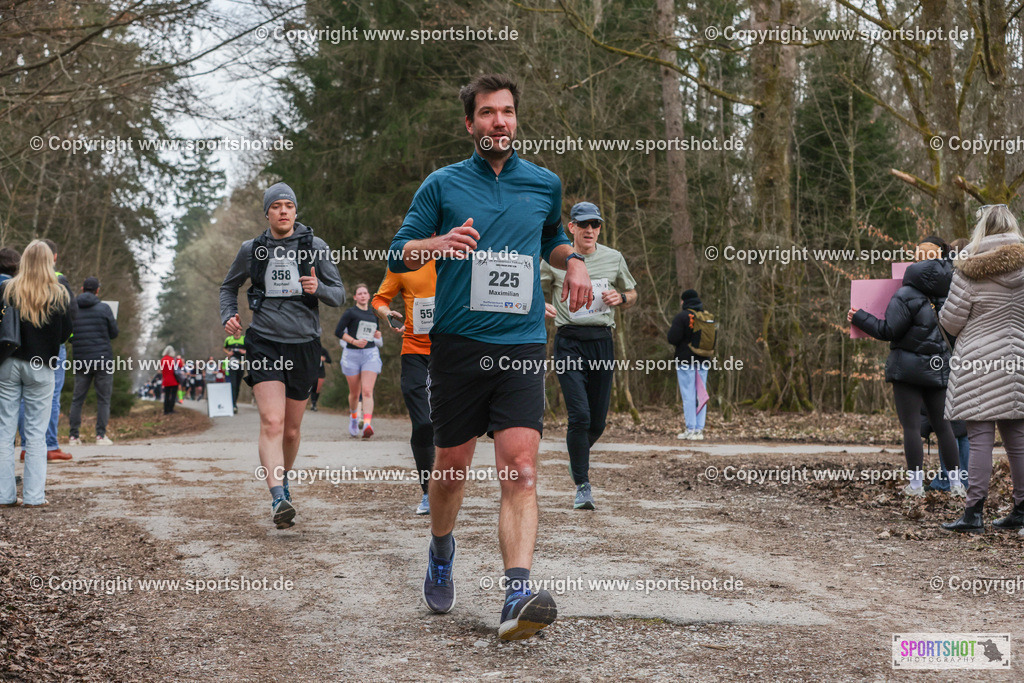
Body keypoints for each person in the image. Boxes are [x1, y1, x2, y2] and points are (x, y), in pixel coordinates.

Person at [388, 74, 592, 640]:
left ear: (516, 118)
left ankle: (517, 591)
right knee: (450, 471)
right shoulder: (442, 184)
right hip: (458, 344)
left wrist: (572, 260)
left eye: (506, 112)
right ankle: (440, 548)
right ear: (470, 123)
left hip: (523, 343)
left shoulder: (543, 182)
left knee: (521, 471)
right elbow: (397, 249)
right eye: (486, 113)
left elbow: (550, 236)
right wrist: (436, 243)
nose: (498, 121)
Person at [220, 182, 345, 529]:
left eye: (289, 205)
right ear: (268, 213)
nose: (284, 211)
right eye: (276, 206)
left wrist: (317, 287)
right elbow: (228, 286)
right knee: (271, 422)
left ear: (296, 211)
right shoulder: (252, 249)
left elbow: (339, 294)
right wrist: (228, 313)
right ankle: (277, 497)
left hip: (304, 344)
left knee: (290, 431)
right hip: (264, 342)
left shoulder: (314, 247)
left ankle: (284, 481)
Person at [849, 236, 965, 498]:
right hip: (939, 368)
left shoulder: (905, 293)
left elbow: (888, 330)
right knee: (944, 427)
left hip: (907, 370)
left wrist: (859, 317)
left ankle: (916, 486)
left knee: (912, 427)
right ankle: (957, 484)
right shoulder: (953, 293)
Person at [540, 201, 637, 510]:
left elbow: (633, 293)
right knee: (579, 416)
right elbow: (532, 289)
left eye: (595, 224)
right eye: (584, 224)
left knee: (597, 423)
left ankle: (576, 458)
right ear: (572, 228)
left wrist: (621, 297)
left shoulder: (614, 258)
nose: (590, 230)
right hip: (569, 341)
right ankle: (583, 484)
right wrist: (541, 305)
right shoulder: (556, 259)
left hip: (601, 342)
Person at [938, 206, 1024, 532]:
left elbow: (950, 321)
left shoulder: (969, 269)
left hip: (978, 364)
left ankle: (973, 513)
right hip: (1018, 362)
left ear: (982, 230)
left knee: (980, 440)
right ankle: (1021, 509)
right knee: (1018, 441)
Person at [0, 241, 73, 507]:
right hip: (41, 366)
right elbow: (66, 333)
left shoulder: (7, 289)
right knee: (36, 435)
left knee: (4, 432)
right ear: (49, 262)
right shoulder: (59, 293)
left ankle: (4, 495)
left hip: (8, 363)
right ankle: (33, 496)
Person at [372, 259, 438, 514]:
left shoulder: (457, 254)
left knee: (451, 424)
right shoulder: (403, 261)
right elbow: (379, 299)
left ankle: (447, 486)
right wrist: (386, 313)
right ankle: (428, 491)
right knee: (423, 422)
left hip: (453, 350)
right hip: (414, 350)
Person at [67, 277, 117, 447]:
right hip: (103, 360)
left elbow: (68, 334)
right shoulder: (105, 308)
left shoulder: (72, 309)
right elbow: (114, 333)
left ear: (82, 289)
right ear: (97, 290)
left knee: (77, 399)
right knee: (103, 399)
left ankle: (73, 437)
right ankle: (100, 436)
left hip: (81, 360)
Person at [335, 284, 382, 438]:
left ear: (369, 296)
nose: (362, 295)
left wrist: (377, 334)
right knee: (355, 393)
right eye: (359, 293)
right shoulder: (350, 313)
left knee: (367, 391)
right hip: (352, 354)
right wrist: (354, 341)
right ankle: (354, 418)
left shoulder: (373, 314)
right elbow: (338, 332)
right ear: (355, 297)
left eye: (365, 293)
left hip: (370, 354)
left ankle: (367, 423)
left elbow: (377, 331)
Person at [668, 290, 715, 440]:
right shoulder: (705, 317)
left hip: (685, 360)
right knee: (701, 394)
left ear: (684, 301)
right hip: (703, 360)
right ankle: (699, 431)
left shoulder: (682, 317)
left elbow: (672, 338)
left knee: (688, 395)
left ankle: (691, 428)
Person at [224, 331, 246, 412]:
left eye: (238, 330)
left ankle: (235, 402)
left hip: (241, 364)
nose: (236, 332)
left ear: (240, 330)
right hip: (232, 364)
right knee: (233, 385)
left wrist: (245, 351)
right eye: (235, 330)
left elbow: (250, 349)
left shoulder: (244, 339)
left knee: (237, 385)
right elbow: (224, 348)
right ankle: (233, 405)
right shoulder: (229, 339)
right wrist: (228, 353)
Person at [160, 346, 181, 415]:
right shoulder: (173, 360)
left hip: (166, 380)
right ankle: (171, 409)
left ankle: (166, 410)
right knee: (173, 395)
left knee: (166, 395)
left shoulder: (162, 360)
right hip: (173, 380)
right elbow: (179, 367)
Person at [310, 343, 331, 411]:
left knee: (317, 388)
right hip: (310, 370)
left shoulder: (323, 350)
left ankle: (314, 403)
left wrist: (324, 358)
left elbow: (329, 360)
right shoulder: (309, 349)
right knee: (311, 387)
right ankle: (311, 403)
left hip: (320, 371)